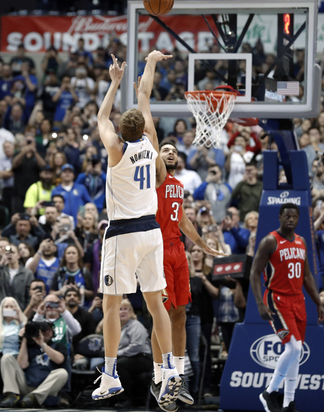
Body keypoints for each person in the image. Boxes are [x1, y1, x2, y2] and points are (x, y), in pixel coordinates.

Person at [91, 52, 182, 408]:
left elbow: (101, 117)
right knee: (156, 302)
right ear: (143, 129)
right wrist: (151, 62)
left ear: (120, 132)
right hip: (152, 233)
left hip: (123, 234)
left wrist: (114, 80)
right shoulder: (152, 144)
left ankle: (110, 375)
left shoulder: (115, 149)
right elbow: (144, 96)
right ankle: (172, 369)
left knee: (111, 305)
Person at [152, 141, 225, 406]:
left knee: (181, 312)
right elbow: (151, 138)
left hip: (178, 250)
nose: (171, 152)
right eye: (165, 149)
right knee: (164, 312)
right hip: (157, 250)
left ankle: (178, 378)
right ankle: (159, 376)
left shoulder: (178, 185)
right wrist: (144, 99)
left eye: (174, 150)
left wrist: (202, 243)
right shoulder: (156, 174)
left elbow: (182, 219)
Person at [250, 203, 324, 412]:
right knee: (294, 347)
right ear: (280, 218)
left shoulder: (301, 242)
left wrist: (318, 302)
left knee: (296, 353)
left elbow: (307, 275)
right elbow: (255, 273)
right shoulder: (269, 241)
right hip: (277, 300)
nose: (291, 219)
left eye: (294, 216)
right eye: (287, 216)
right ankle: (269, 392)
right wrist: (259, 303)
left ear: (298, 219)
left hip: (297, 300)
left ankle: (289, 402)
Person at [0, 320, 69, 408]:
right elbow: (22, 365)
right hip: (27, 384)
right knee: (7, 358)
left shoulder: (59, 346)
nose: (46, 332)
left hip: (46, 388)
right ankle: (12, 395)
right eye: (43, 329)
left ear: (53, 332)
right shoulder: (30, 346)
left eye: (49, 329)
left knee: (62, 373)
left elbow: (59, 360)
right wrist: (25, 338)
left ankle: (35, 397)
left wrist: (42, 344)